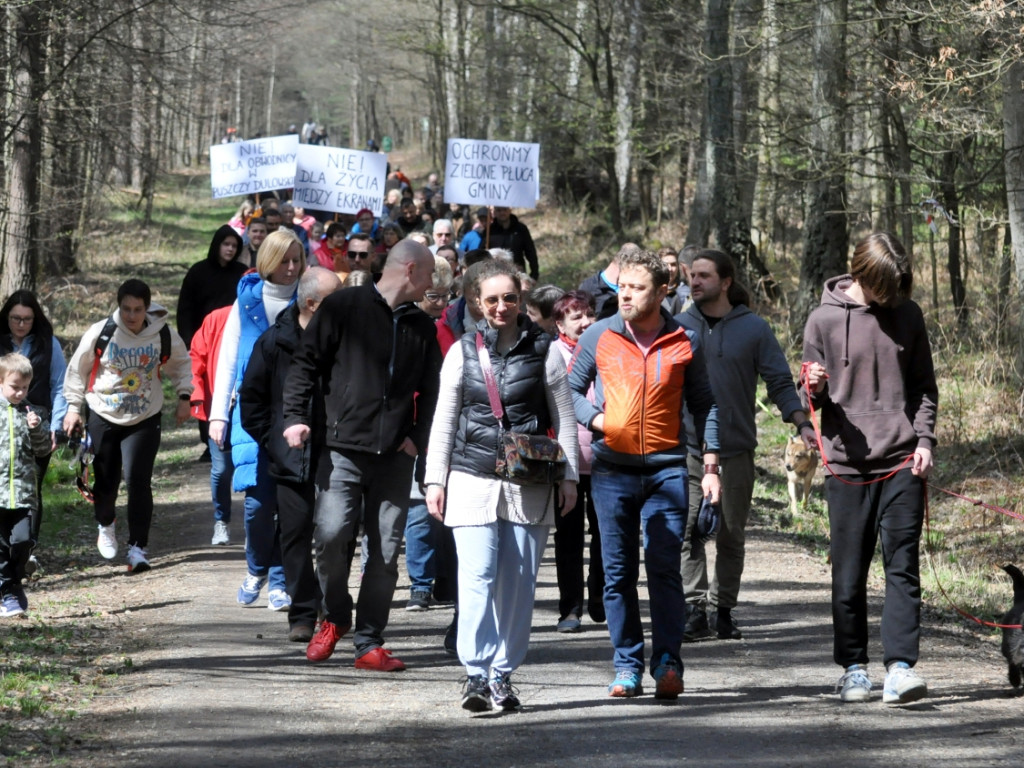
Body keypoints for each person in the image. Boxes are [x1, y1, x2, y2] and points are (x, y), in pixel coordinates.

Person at [424, 259, 579, 712]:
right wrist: (436, 479)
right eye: (491, 299)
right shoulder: (461, 353)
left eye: (509, 298)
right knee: (476, 577)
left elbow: (564, 417)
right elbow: (444, 420)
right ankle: (474, 672)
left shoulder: (545, 350)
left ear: (521, 301)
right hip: (470, 478)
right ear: (475, 302)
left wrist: (568, 477)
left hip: (527, 483)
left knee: (519, 581)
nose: (501, 307)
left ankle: (502, 675)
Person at [568, 248, 721, 700]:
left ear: (662, 291)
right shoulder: (598, 335)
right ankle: (627, 665)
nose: (625, 295)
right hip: (612, 471)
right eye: (622, 287)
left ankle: (668, 662)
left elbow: (705, 405)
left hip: (667, 471)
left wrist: (711, 465)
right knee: (616, 573)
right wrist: (596, 420)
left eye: (636, 288)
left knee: (663, 567)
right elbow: (570, 390)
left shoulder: (685, 338)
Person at [282, 240, 441, 672]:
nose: (434, 283)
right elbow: (304, 364)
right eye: (429, 274)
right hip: (341, 450)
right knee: (331, 536)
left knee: (385, 553)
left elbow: (433, 393)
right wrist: (295, 418)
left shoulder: (422, 327)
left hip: (394, 454)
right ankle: (335, 616)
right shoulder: (343, 307)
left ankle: (369, 641)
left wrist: (417, 438)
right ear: (410, 270)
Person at [801, 232, 937, 705]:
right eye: (884, 286)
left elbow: (924, 387)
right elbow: (810, 398)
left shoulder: (908, 314)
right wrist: (813, 386)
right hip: (845, 467)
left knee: (902, 567)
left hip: (902, 460)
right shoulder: (822, 320)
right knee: (849, 573)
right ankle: (853, 669)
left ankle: (900, 669)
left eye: (898, 286)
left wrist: (924, 440)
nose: (891, 296)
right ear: (861, 275)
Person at [678, 249, 814, 642]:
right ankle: (693, 609)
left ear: (725, 282)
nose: (695, 281)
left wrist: (800, 420)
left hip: (736, 450)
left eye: (704, 275)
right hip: (686, 447)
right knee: (687, 531)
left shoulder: (753, 328)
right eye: (692, 275)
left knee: (731, 533)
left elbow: (779, 383)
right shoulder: (677, 325)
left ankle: (723, 610)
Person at [240, 267, 342, 643]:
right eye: (336, 299)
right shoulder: (273, 342)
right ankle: (302, 613)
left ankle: (334, 609)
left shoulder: (343, 341)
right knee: (295, 534)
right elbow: (251, 400)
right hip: (289, 456)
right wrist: (274, 442)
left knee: (337, 534)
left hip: (337, 454)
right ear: (312, 304)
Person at [63, 279, 192, 573]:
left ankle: (138, 548)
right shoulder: (102, 332)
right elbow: (77, 371)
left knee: (138, 481)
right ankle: (106, 523)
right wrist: (73, 408)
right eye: (126, 309)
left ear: (147, 308)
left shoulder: (162, 334)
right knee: (106, 483)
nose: (132, 316)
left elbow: (182, 364)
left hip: (145, 417)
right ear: (118, 306)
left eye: (137, 309)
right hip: (103, 414)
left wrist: (185, 396)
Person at [208, 230, 305, 610]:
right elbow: (228, 358)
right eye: (284, 260)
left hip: (296, 413)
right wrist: (218, 415)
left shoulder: (308, 297)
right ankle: (257, 568)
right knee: (257, 503)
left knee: (288, 501)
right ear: (267, 261)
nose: (292, 267)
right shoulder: (246, 298)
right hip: (250, 411)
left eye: (297, 259)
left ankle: (280, 579)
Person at [0, 291, 69, 563]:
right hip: (3, 422)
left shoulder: (48, 345)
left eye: (27, 319)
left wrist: (58, 425)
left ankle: (27, 548)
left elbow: (60, 385)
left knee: (32, 488)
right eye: (15, 318)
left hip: (36, 423)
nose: (20, 324)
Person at [550, 290, 604, 633]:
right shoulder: (550, 354)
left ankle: (601, 596)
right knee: (568, 538)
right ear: (560, 324)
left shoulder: (608, 348)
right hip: (564, 463)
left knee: (606, 535)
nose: (585, 323)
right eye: (575, 317)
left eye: (588, 315)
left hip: (605, 459)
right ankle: (570, 608)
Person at [404, 257, 454, 611]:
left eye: (445, 296)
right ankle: (420, 583)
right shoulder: (411, 327)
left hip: (449, 426)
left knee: (449, 509)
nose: (439, 303)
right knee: (420, 508)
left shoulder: (453, 328)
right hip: (417, 426)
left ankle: (446, 580)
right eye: (432, 295)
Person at [177, 226, 249, 462]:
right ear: (216, 245)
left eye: (234, 246)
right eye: (226, 244)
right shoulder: (198, 272)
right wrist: (188, 340)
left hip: (236, 336)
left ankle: (235, 434)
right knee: (206, 388)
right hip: (205, 339)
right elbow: (185, 309)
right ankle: (210, 439)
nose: (230, 249)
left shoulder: (242, 273)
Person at [0, 353, 51, 616]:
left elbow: (43, 451)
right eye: (14, 386)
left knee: (22, 541)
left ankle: (15, 579)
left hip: (22, 494)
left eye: (24, 387)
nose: (20, 393)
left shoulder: (31, 413)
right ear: (0, 382)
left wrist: (36, 428)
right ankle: (8, 592)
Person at [189, 306, 235, 545]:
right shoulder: (217, 319)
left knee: (258, 468)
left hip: (256, 407)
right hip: (219, 407)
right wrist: (193, 392)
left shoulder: (274, 313)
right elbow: (196, 356)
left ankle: (257, 526)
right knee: (221, 469)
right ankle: (221, 521)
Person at [487, 206, 539, 279]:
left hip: (518, 274)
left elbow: (530, 251)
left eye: (505, 209)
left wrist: (534, 274)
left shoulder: (521, 229)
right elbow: (483, 253)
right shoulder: (489, 231)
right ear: (494, 212)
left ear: (510, 210)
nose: (502, 213)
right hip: (495, 274)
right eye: (499, 210)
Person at [658, 247, 687, 315]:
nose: (670, 269)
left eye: (673, 264)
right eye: (665, 265)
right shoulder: (654, 291)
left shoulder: (685, 291)